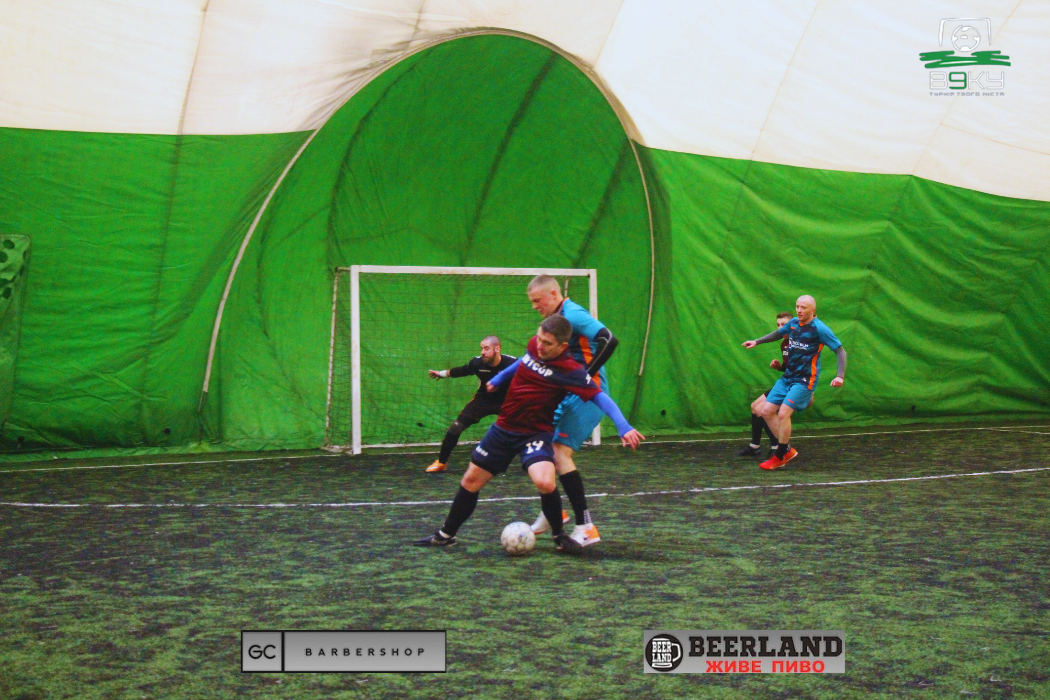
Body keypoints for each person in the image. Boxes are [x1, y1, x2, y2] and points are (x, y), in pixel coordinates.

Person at [414, 315, 644, 553]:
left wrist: (623, 426)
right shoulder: (536, 345)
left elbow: (599, 397)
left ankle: (558, 535)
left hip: (535, 434)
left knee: (545, 481)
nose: (540, 345)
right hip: (503, 429)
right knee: (471, 480)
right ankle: (445, 535)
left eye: (547, 343)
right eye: (539, 338)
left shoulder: (571, 371)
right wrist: (500, 378)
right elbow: (524, 361)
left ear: (563, 346)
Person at [525, 275, 619, 547]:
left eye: (537, 300)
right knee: (538, 446)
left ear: (554, 294)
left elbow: (609, 339)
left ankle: (587, 527)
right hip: (567, 393)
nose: (534, 306)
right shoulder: (555, 322)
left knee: (559, 453)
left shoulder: (574, 314)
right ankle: (552, 511)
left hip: (588, 394)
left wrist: (586, 377)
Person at [742, 295, 846, 470]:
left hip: (805, 380)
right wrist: (757, 341)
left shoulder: (820, 329)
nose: (799, 310)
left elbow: (840, 351)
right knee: (766, 411)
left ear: (813, 310)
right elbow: (778, 334)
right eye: (797, 306)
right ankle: (787, 450)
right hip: (788, 377)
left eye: (803, 307)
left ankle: (780, 455)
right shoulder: (793, 324)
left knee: (783, 413)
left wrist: (840, 376)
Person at [424, 336, 517, 473]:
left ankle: (540, 460)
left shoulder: (512, 363)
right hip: (483, 400)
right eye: (482, 349)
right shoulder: (477, 363)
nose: (483, 352)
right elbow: (462, 370)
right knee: (455, 428)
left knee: (526, 428)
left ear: (497, 349)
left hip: (507, 401)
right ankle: (441, 462)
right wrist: (442, 374)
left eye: (486, 348)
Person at [737, 311, 793, 457]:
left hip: (796, 385)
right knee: (755, 406)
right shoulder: (784, 343)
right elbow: (789, 367)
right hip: (786, 381)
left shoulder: (799, 342)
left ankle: (778, 446)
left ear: (792, 325)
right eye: (778, 325)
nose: (780, 328)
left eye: (784, 324)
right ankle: (754, 446)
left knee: (762, 409)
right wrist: (779, 367)